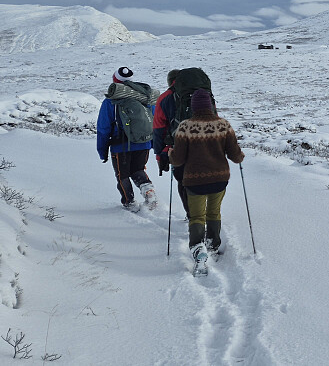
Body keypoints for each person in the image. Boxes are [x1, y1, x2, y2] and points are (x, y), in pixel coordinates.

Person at [169, 89, 245, 268]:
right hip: (219, 180)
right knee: (213, 212)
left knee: (196, 216)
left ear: (193, 107)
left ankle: (198, 248)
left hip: (194, 181)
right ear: (210, 105)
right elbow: (235, 155)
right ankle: (213, 244)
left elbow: (178, 159)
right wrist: (240, 156)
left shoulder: (185, 126)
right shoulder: (223, 125)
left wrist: (171, 155)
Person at [96, 67, 158, 212]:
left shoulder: (111, 101)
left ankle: (129, 203)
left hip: (120, 146)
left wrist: (102, 150)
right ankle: (149, 191)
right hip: (144, 143)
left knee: (122, 175)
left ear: (115, 81)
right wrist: (153, 144)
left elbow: (103, 128)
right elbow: (153, 123)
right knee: (138, 170)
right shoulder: (145, 98)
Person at [152, 69, 188, 217]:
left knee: (182, 181)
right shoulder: (203, 94)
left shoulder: (165, 98)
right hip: (205, 145)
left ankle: (192, 216)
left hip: (178, 147)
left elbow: (159, 129)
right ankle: (207, 217)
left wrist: (160, 155)